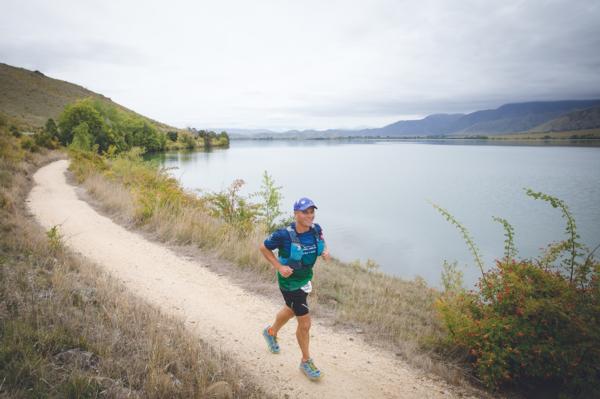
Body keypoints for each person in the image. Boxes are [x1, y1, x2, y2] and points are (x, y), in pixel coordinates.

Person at [259, 197, 330, 380]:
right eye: (305, 212)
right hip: (290, 284)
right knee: (305, 323)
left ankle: (271, 332)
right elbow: (264, 248)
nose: (310, 215)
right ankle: (306, 361)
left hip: (305, 279)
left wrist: (325, 251)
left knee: (290, 310)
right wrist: (279, 267)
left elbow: (322, 243)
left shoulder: (316, 229)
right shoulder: (283, 234)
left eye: (312, 211)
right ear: (296, 214)